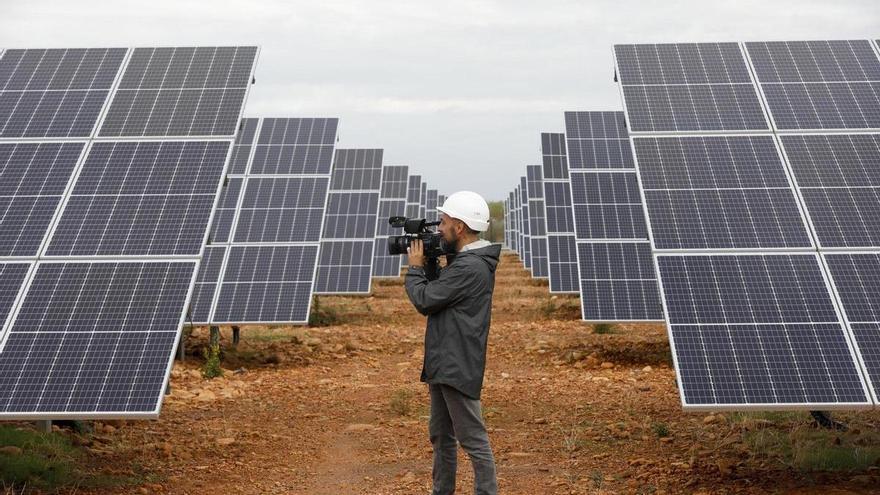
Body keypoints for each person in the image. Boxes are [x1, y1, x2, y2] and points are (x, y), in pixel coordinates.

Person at [404, 191, 500, 495]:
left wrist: (416, 267)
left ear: (459, 227)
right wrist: (433, 263)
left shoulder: (469, 267)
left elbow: (426, 299)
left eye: (443, 222)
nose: (438, 229)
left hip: (456, 362)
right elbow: (441, 292)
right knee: (441, 435)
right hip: (445, 360)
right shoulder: (465, 262)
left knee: (472, 438)